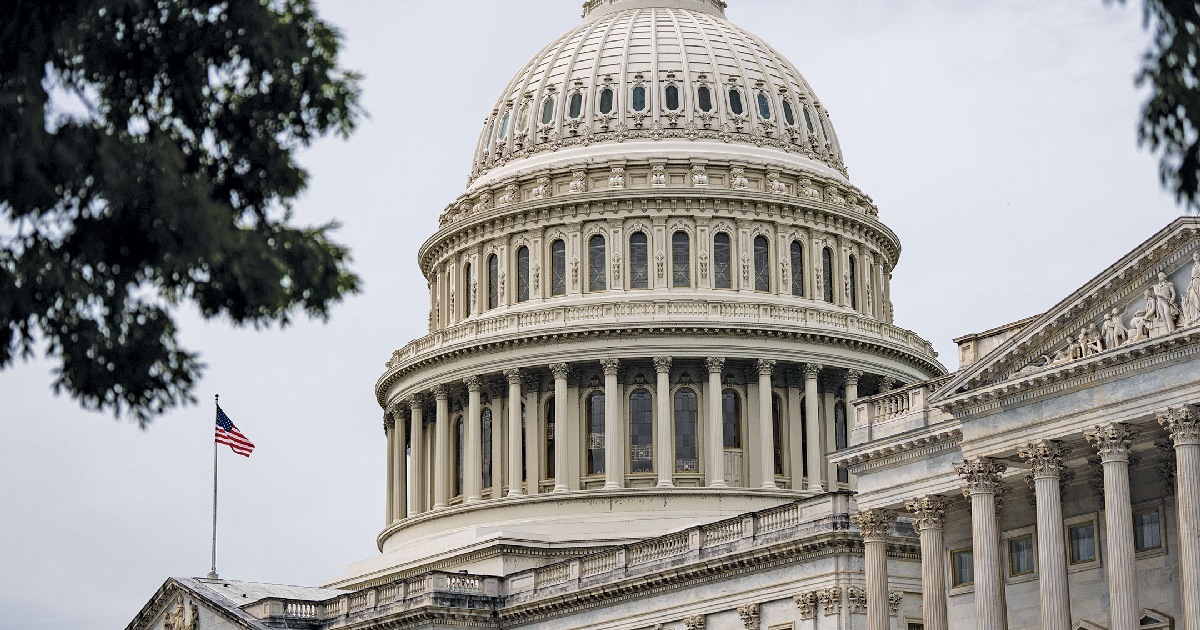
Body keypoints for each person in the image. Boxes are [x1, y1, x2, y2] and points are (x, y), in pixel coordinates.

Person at [1183, 253, 1200, 327]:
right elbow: (1192, 278)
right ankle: (1194, 318)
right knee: (1191, 300)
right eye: (1194, 256)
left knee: (1198, 298)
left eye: (1197, 255)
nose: (1196, 257)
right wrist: (1189, 287)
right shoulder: (1193, 266)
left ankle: (1198, 317)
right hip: (1193, 283)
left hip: (1199, 282)